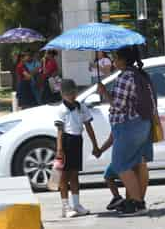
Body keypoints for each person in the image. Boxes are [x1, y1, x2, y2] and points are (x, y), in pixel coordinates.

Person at [97, 47, 157, 216]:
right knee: (138, 163)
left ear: (123, 59)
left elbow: (118, 105)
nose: (114, 61)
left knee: (120, 164)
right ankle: (136, 200)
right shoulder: (140, 75)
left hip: (128, 126)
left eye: (116, 58)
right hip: (144, 124)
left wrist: (104, 93)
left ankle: (137, 204)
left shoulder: (125, 77)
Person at [54, 79, 100, 218]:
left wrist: (95, 145)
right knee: (64, 176)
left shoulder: (82, 107)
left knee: (74, 174)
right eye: (68, 94)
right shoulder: (61, 109)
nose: (71, 96)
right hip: (66, 141)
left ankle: (76, 204)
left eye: (73, 93)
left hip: (77, 141)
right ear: (62, 94)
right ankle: (65, 206)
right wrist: (60, 149)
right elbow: (60, 131)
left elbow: (88, 126)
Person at [95, 133, 125, 211]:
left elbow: (111, 139)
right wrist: (100, 150)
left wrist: (100, 150)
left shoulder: (117, 122)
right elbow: (111, 139)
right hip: (122, 155)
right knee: (109, 175)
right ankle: (122, 199)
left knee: (109, 176)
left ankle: (119, 198)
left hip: (121, 156)